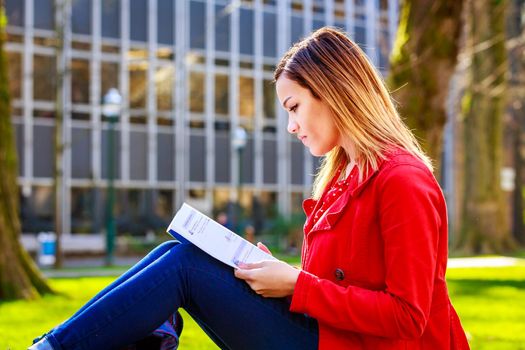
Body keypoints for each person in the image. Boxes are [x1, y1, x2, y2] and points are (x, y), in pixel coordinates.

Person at [29, 27, 469, 350]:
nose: (291, 126)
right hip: (327, 337)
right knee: (178, 252)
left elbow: (409, 317)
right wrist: (273, 273)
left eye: (294, 107)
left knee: (184, 264)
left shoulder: (402, 179)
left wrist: (297, 285)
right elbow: (339, 284)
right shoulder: (342, 175)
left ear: (335, 93)